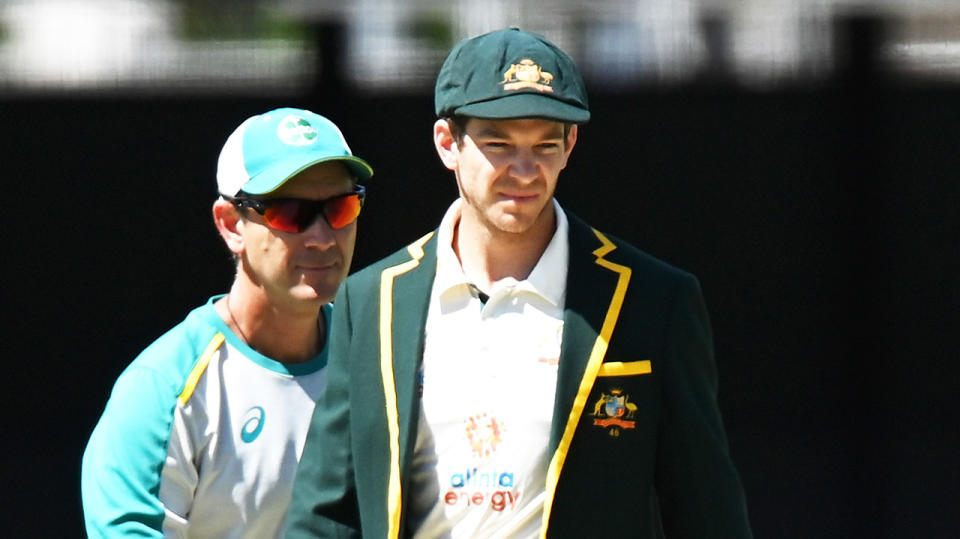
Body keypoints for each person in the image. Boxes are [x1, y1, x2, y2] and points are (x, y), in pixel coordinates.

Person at [286, 28, 752, 538]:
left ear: (570, 144)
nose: (525, 171)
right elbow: (326, 512)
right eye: (499, 144)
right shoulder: (372, 299)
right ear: (448, 143)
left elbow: (707, 510)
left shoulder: (655, 300)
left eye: (545, 145)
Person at [81, 107, 374, 538]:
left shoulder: (378, 356)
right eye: (290, 213)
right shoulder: (162, 387)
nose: (322, 236)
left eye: (341, 208)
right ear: (231, 225)